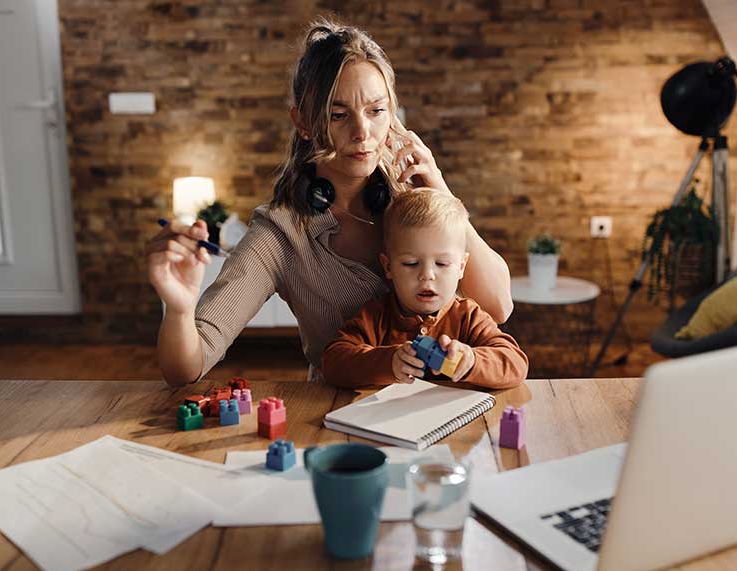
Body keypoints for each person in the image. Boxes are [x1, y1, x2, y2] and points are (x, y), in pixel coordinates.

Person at [145, 18, 513, 385]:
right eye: (338, 115)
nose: (362, 132)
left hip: (447, 405)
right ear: (303, 123)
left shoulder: (415, 198)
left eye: (376, 111)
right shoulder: (280, 235)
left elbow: (499, 306)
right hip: (342, 414)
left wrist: (442, 195)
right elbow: (185, 369)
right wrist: (179, 309)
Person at [321, 188, 528, 389]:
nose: (427, 274)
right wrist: (389, 361)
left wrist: (472, 360)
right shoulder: (376, 317)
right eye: (411, 263)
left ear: (461, 267)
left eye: (442, 264)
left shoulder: (468, 317)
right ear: (388, 266)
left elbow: (515, 363)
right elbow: (333, 362)